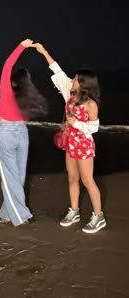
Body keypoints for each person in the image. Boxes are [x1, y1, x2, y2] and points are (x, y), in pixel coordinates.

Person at [33, 42, 106, 234]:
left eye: (75, 79)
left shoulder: (91, 105)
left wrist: (76, 125)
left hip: (84, 145)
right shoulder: (70, 94)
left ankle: (98, 217)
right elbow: (58, 73)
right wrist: (44, 52)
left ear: (84, 84)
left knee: (87, 181)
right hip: (70, 144)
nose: (72, 79)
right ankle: (74, 211)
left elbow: (94, 127)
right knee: (72, 178)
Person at [0, 39, 48, 227]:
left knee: (10, 177)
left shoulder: (6, 89)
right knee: (18, 176)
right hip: (22, 134)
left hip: (6, 133)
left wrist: (21, 46)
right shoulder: (27, 99)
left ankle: (21, 215)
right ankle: (5, 215)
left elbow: (7, 65)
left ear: (13, 81)